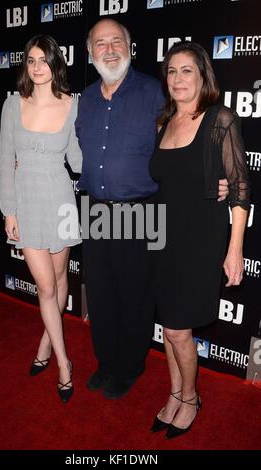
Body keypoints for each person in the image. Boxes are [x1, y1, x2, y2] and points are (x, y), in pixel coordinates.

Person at [75, 19, 228, 400]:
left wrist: (216, 181)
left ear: (130, 48)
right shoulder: (86, 99)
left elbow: (185, 144)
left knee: (135, 294)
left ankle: (129, 367)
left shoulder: (154, 94)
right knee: (102, 292)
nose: (109, 50)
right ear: (90, 53)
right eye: (100, 44)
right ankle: (106, 362)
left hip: (140, 210)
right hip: (95, 210)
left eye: (116, 42)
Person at [149, 41, 250, 438]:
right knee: (170, 325)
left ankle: (190, 397)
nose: (178, 79)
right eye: (171, 71)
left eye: (186, 70)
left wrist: (235, 248)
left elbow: (240, 186)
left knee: (176, 330)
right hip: (162, 238)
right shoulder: (164, 122)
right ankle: (175, 392)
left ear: (203, 74)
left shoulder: (219, 119)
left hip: (200, 239)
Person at [0, 34, 82, 404]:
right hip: (28, 203)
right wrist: (8, 210)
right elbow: (4, 161)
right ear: (26, 67)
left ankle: (47, 343)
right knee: (46, 287)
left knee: (61, 278)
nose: (37, 67)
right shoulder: (12, 105)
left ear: (55, 64)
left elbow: (78, 160)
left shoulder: (73, 104)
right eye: (31, 60)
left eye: (43, 60)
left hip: (61, 200)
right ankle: (65, 364)